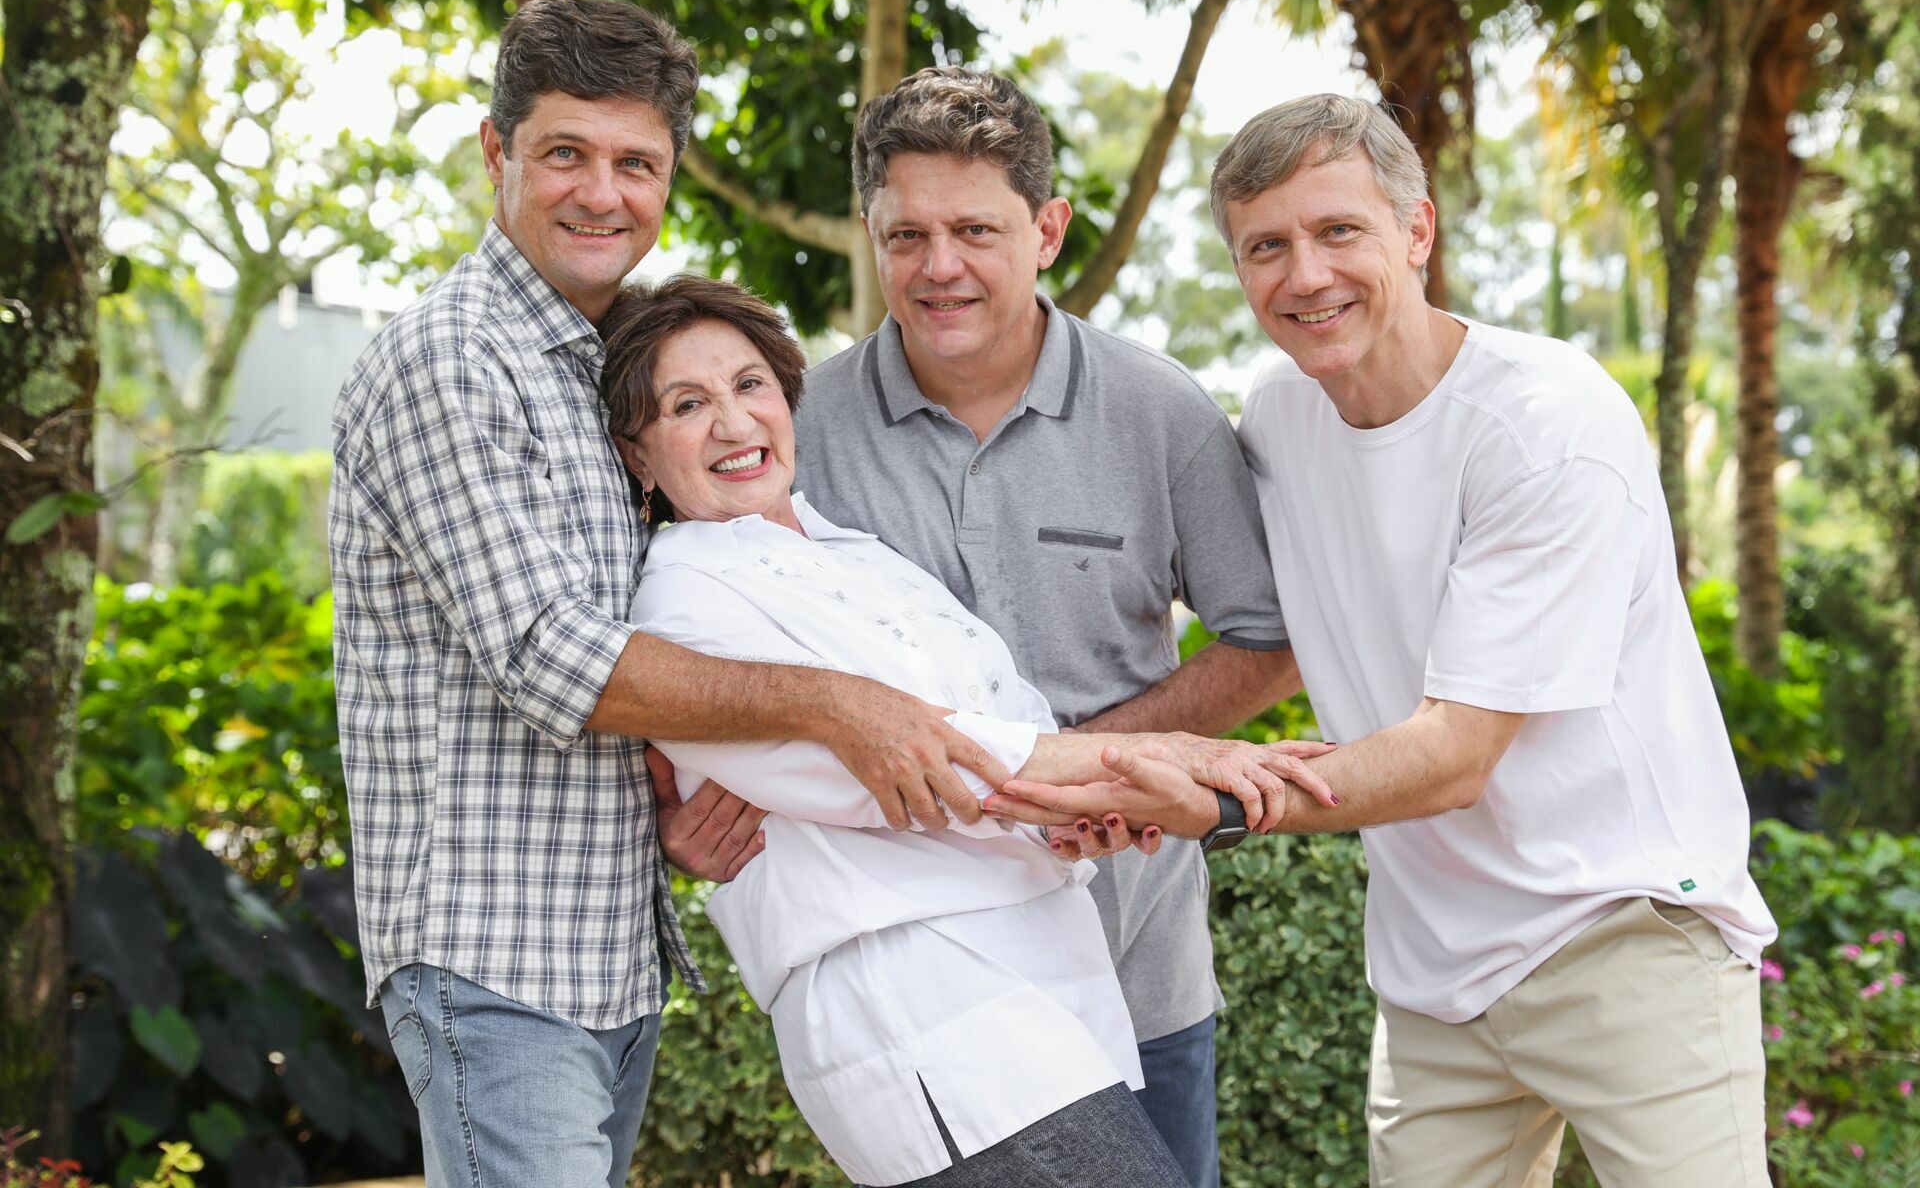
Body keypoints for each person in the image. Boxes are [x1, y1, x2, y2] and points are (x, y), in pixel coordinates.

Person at [991, 94, 1782, 1186]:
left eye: (1338, 231)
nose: (1303, 274)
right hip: (1433, 972)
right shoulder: (1278, 413)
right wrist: (1097, 773)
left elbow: (1457, 752)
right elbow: (1266, 640)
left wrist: (1213, 796)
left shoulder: (1547, 422)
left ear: (1417, 232)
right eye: (1266, 246)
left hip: (1623, 934)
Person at [327, 0, 1019, 1188]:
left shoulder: (602, 375)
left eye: (635, 163)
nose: (604, 192)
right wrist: (839, 705)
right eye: (564, 155)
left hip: (602, 945)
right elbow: (551, 652)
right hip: (494, 958)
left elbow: (607, 664)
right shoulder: (451, 358)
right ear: (497, 154)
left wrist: (662, 813)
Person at [597, 274, 1334, 1187]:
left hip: (1050, 987)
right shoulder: (680, 602)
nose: (735, 423)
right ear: (638, 454)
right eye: (686, 404)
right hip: (923, 1011)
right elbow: (922, 770)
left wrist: (1081, 811)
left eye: (750, 385)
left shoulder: (864, 560)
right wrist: (1160, 758)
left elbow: (1007, 727)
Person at [789, 66, 1303, 1188]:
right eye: (906, 233)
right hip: (921, 1007)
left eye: (976, 228)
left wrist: (1101, 763)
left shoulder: (1159, 410)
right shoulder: (796, 428)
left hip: (1140, 977)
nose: (939, 267)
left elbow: (1269, 639)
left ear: (1048, 229)